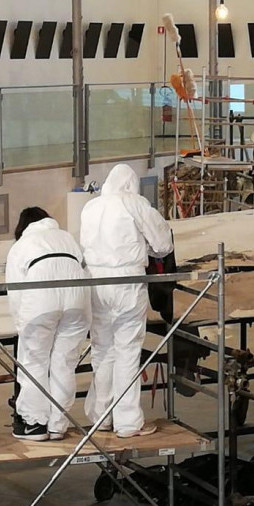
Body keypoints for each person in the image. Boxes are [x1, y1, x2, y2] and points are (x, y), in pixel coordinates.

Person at [80, 164, 173, 438]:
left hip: (95, 281)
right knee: (127, 351)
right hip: (126, 282)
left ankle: (101, 416)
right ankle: (129, 422)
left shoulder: (90, 208)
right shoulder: (134, 203)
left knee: (102, 350)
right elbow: (163, 244)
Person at [5, 208, 91, 442]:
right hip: (78, 300)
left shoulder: (21, 246)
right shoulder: (67, 238)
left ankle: (34, 424)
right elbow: (86, 271)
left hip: (41, 301)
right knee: (64, 363)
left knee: (34, 361)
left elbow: (15, 290)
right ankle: (58, 425)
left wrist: (21, 325)